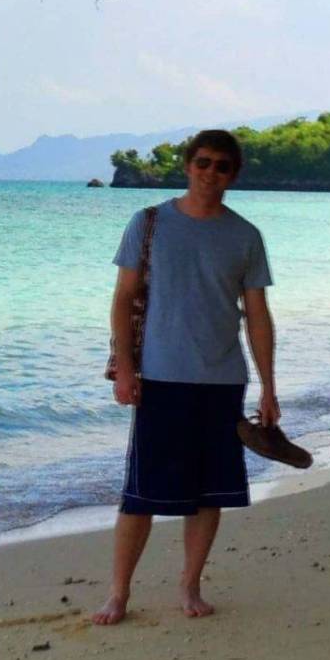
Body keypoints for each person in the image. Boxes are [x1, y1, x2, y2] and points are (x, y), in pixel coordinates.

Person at [94, 128, 276, 625]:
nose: (209, 172)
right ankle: (118, 593)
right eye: (202, 162)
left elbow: (258, 315)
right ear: (187, 166)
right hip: (160, 378)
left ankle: (190, 584)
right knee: (140, 494)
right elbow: (123, 299)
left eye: (221, 165)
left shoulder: (245, 236)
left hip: (222, 381)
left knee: (209, 492)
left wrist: (269, 387)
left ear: (232, 174)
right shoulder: (148, 223)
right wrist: (125, 370)